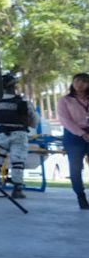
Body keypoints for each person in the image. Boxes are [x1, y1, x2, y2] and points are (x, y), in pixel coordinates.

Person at [0, 73, 39, 199]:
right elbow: (34, 122)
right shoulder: (23, 102)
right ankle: (17, 190)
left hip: (1, 134)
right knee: (18, 162)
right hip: (20, 135)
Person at [57, 72, 89, 211]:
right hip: (73, 136)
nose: (79, 84)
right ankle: (81, 197)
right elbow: (65, 120)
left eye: (83, 81)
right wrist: (82, 133)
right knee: (75, 167)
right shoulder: (65, 100)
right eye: (77, 81)